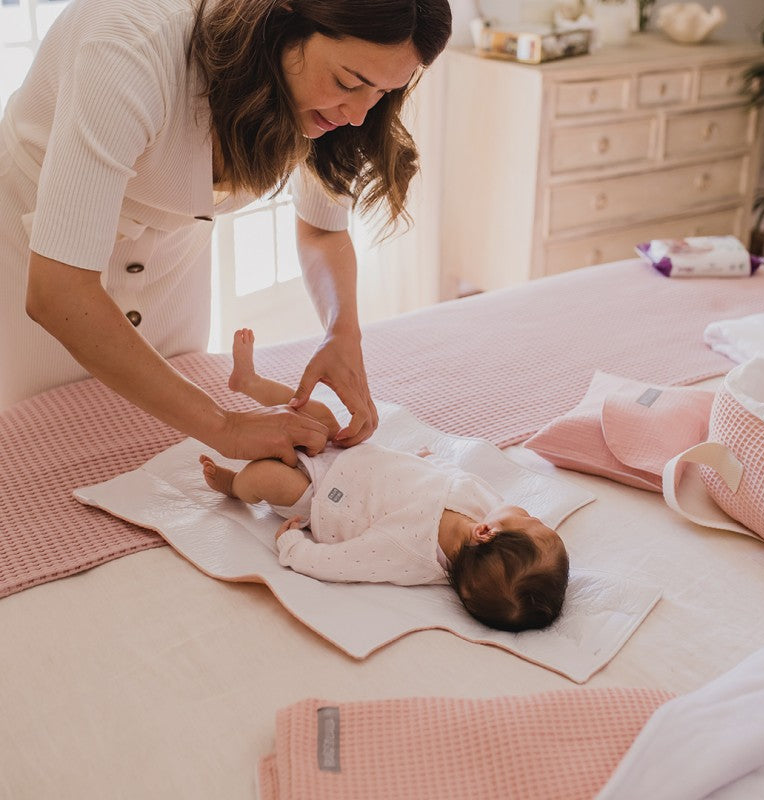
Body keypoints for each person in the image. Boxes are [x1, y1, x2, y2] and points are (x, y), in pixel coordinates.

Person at [0, 0, 452, 466]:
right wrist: (224, 425)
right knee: (38, 449)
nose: (358, 114)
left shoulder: (332, 102)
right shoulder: (127, 49)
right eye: (346, 83)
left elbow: (321, 230)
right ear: (280, 23)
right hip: (36, 249)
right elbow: (58, 292)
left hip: (173, 261)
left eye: (381, 92)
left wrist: (343, 332)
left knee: (163, 453)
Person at [200, 329, 570, 632]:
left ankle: (234, 485)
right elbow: (455, 476)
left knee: (268, 479)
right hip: (350, 454)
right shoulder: (482, 505)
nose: (532, 514)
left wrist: (296, 549)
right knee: (319, 414)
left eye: (534, 522)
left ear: (487, 533)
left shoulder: (411, 555)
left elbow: (346, 562)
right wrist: (433, 459)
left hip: (317, 498)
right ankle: (249, 382)